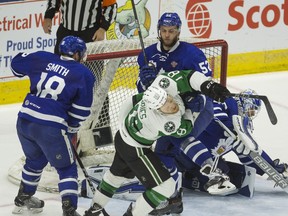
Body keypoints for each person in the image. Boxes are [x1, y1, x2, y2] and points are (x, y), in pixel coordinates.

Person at [83, 68, 231, 216]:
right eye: (166, 105)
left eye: (168, 98)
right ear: (157, 110)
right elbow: (186, 128)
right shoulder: (166, 123)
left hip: (122, 137)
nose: (171, 103)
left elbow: (187, 76)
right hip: (136, 149)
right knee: (166, 187)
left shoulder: (159, 85)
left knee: (115, 176)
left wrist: (208, 85)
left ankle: (93, 211)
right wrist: (192, 109)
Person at [10, 36, 95, 216]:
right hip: (50, 126)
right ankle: (69, 210)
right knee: (66, 167)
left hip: (24, 119)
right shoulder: (84, 73)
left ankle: (23, 199)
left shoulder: (42, 57)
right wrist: (70, 128)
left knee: (35, 161)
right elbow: (81, 111)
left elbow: (15, 64)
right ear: (78, 54)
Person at [43, 0, 118, 148]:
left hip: (90, 35)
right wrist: (48, 16)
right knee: (61, 79)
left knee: (94, 84)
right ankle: (58, 131)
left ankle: (99, 133)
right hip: (65, 34)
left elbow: (111, 6)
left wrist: (103, 28)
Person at [136, 12, 212, 93]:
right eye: (163, 30)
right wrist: (144, 83)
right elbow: (140, 89)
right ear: (159, 31)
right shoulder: (147, 54)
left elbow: (207, 84)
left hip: (184, 103)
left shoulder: (193, 54)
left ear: (178, 32)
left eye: (171, 31)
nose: (167, 35)